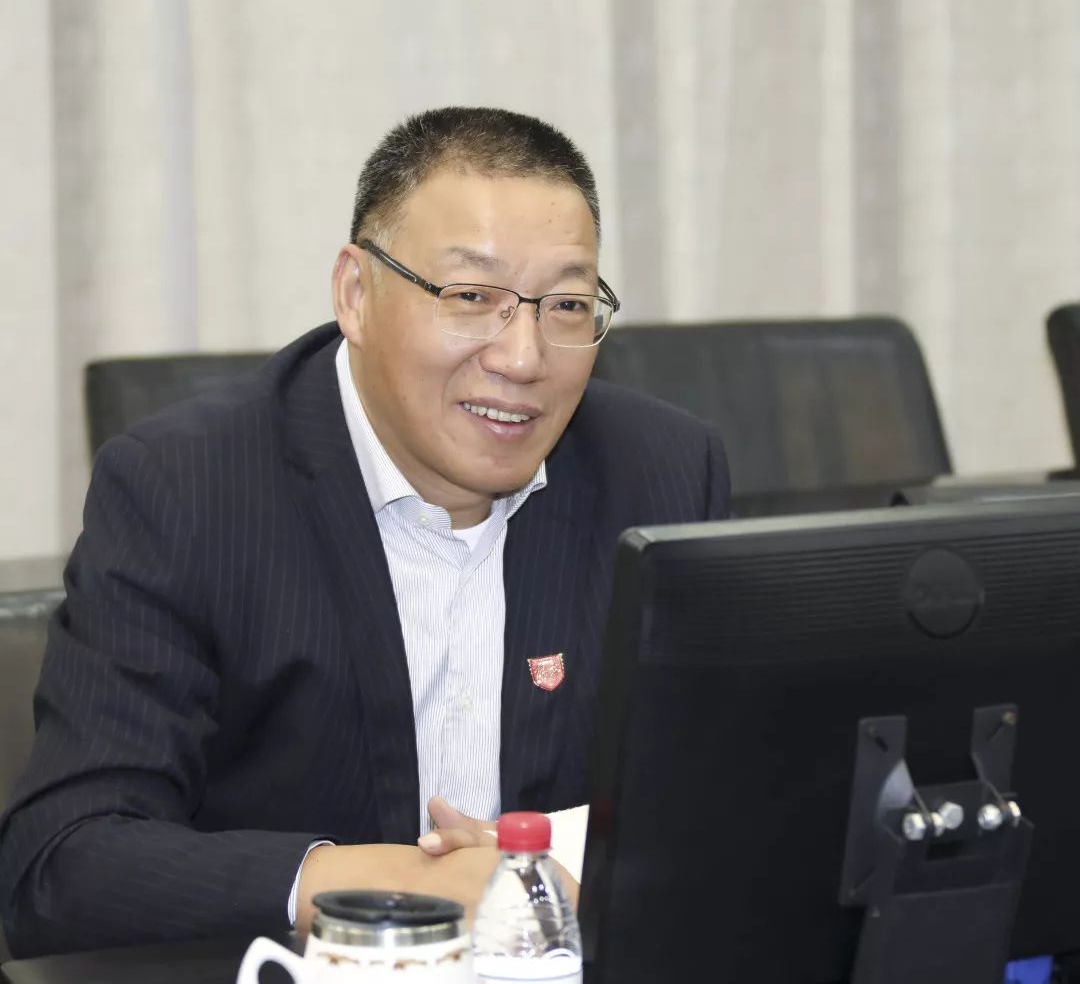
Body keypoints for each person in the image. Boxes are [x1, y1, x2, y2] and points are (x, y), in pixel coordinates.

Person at [0, 106, 730, 958]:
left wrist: (551, 860)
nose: (524, 357)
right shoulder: (185, 489)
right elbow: (62, 864)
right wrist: (385, 884)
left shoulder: (663, 471)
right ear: (356, 293)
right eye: (472, 297)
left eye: (566, 305)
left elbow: (733, 792)